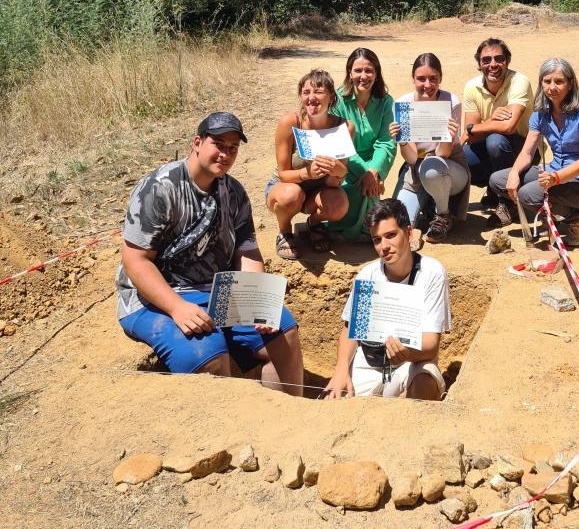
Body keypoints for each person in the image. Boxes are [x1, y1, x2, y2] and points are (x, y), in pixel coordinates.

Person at [116, 112, 304, 394]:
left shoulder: (234, 192)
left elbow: (248, 253)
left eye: (232, 148)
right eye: (218, 144)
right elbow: (135, 261)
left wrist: (257, 306)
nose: (225, 154)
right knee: (209, 356)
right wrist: (176, 307)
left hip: (216, 288)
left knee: (284, 335)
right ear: (197, 143)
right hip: (158, 294)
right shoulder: (159, 188)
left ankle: (287, 421)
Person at [324, 198, 451, 400]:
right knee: (334, 401)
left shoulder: (432, 273)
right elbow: (350, 330)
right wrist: (340, 371)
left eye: (391, 235)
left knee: (424, 381)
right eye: (377, 239)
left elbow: (431, 343)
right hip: (368, 364)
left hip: (410, 363)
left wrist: (406, 353)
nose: (384, 246)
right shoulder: (368, 275)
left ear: (408, 233)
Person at [490, 58, 579, 246]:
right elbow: (527, 152)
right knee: (499, 181)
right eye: (547, 81)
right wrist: (514, 172)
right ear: (541, 83)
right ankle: (557, 212)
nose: (552, 87)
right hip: (555, 172)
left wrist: (555, 178)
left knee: (528, 194)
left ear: (570, 84)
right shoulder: (541, 112)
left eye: (559, 81)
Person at [266, 70, 354, 260]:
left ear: (331, 96)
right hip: (286, 187)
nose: (311, 98)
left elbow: (332, 184)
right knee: (291, 194)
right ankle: (284, 231)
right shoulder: (290, 123)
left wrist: (339, 171)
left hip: (318, 191)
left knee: (339, 204)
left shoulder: (345, 127)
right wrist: (308, 173)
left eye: (319, 92)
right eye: (306, 92)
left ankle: (314, 223)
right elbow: (283, 174)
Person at [389, 52, 470, 245]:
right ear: (412, 79)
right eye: (421, 79)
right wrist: (401, 140)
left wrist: (449, 136)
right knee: (400, 221)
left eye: (433, 79)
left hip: (449, 167)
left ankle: (442, 215)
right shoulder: (403, 105)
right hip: (415, 167)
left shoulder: (451, 102)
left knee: (432, 168)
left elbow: (443, 154)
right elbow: (410, 159)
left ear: (440, 78)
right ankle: (427, 207)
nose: (427, 85)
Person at [326, 48, 397, 241]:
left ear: (376, 73)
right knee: (357, 192)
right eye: (358, 71)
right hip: (345, 165)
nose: (363, 76)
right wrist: (368, 175)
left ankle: (359, 232)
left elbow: (386, 143)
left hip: (374, 168)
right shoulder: (337, 101)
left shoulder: (386, 102)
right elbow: (341, 147)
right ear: (349, 73)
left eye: (369, 71)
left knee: (367, 190)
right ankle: (364, 231)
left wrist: (374, 171)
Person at [461, 38, 534, 203]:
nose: (492, 64)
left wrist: (476, 127)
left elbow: (509, 126)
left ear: (507, 61)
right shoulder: (472, 87)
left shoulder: (519, 82)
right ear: (479, 64)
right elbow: (472, 137)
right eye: (486, 60)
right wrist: (491, 120)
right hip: (491, 151)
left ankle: (508, 203)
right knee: (460, 158)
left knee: (495, 141)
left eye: (499, 59)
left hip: (525, 151)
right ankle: (494, 188)